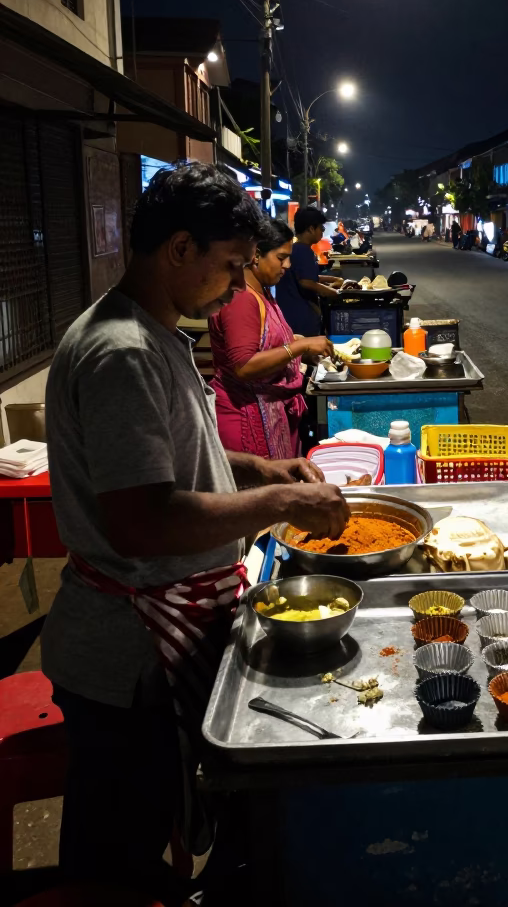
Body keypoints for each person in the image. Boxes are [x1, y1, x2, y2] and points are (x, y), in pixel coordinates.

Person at [41, 163, 349, 905]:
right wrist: (281, 508)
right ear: (180, 249)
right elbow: (145, 518)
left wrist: (266, 470)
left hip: (159, 633)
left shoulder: (158, 336)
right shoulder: (122, 353)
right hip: (127, 654)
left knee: (151, 834)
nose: (235, 282)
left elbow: (195, 462)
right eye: (229, 265)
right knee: (115, 863)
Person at [209, 218, 334, 461]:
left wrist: (299, 346)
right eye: (280, 257)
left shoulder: (261, 292)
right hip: (246, 420)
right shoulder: (242, 298)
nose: (287, 265)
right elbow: (244, 365)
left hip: (269, 411)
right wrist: (301, 345)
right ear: (256, 255)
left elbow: (267, 339)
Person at [274, 206, 344, 336]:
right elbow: (306, 282)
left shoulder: (296, 249)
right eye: (321, 229)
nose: (322, 233)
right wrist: (336, 293)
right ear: (311, 229)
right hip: (300, 319)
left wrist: (332, 280)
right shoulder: (303, 250)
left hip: (289, 315)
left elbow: (307, 276)